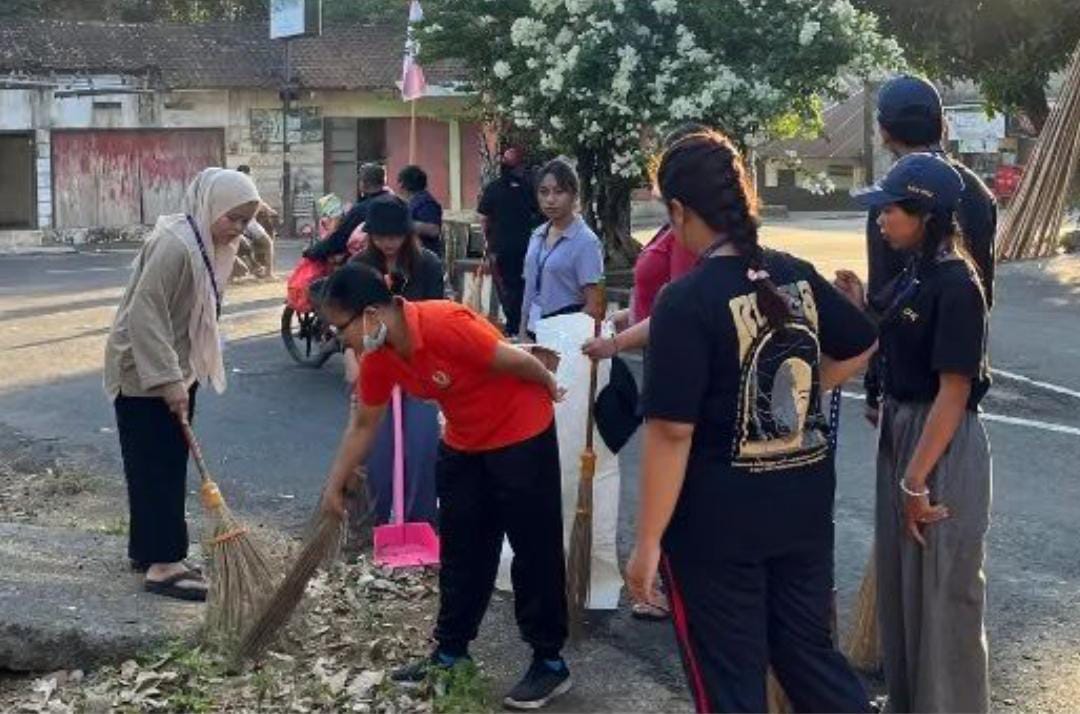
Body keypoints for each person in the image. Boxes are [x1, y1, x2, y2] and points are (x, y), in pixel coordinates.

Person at [624, 130, 878, 713]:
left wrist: (646, 543)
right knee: (809, 658)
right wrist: (804, 393)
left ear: (680, 210)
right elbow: (863, 341)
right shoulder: (794, 275)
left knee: (729, 682)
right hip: (802, 509)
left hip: (716, 529)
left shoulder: (685, 302)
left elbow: (670, 432)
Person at [317, 263, 572, 710]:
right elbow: (363, 425)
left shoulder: (443, 323)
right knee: (462, 550)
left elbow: (512, 357)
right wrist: (334, 486)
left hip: (520, 432)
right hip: (463, 441)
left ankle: (549, 663)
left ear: (372, 314)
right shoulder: (380, 357)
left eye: (342, 327)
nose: (342, 339)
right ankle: (450, 652)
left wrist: (550, 383)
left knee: (534, 549)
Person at [838, 153, 992, 713]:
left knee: (944, 594)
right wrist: (858, 304)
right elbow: (889, 330)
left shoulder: (957, 284)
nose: (880, 220)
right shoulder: (918, 271)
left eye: (889, 210)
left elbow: (954, 391)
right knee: (905, 588)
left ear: (923, 213)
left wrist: (915, 479)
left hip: (939, 443)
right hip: (906, 434)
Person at [104, 168, 261, 602]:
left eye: (246, 221)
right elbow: (144, 314)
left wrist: (181, 376)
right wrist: (170, 381)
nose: (239, 229)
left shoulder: (204, 243)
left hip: (175, 364)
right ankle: (163, 565)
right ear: (210, 206)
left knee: (163, 463)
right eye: (233, 218)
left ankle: (149, 550)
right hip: (144, 372)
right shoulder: (176, 245)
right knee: (156, 465)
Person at [864, 75, 998, 424]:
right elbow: (985, 295)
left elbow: (885, 301)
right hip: (961, 390)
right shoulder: (978, 192)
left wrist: (873, 388)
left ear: (884, 130)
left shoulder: (893, 197)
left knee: (911, 479)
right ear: (942, 123)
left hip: (910, 392)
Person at [350, 197, 444, 525]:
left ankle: (421, 524)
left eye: (395, 236)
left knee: (421, 449)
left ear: (407, 233)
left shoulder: (428, 264)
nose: (389, 243)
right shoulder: (360, 267)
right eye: (381, 236)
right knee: (378, 454)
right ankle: (379, 525)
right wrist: (353, 358)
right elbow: (349, 320)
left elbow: (436, 317)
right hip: (375, 368)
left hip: (418, 368)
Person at [519, 158, 605, 340]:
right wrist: (523, 332)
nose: (550, 200)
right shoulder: (537, 235)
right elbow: (529, 290)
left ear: (574, 195)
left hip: (565, 334)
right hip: (534, 329)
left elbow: (594, 305)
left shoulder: (585, 241)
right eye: (544, 192)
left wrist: (565, 338)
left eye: (559, 192)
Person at [477, 147, 542, 336]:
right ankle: (520, 325)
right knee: (523, 287)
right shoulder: (529, 189)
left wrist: (488, 242)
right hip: (525, 248)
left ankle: (514, 326)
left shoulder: (493, 188)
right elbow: (537, 214)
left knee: (506, 288)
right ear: (520, 167)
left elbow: (483, 219)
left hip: (501, 249)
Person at [304, 163, 393, 261]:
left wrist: (312, 252)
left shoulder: (361, 209)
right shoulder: (396, 203)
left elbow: (338, 239)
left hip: (367, 261)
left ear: (363, 183)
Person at [397, 164, 445, 257]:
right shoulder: (412, 201)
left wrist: (402, 223)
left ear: (402, 184)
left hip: (425, 256)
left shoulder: (425, 202)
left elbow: (433, 229)